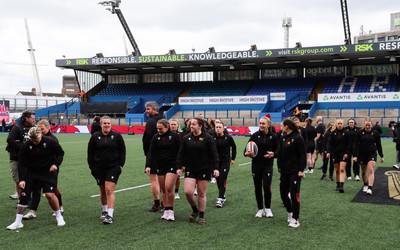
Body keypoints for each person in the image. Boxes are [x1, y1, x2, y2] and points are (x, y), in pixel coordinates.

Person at [6, 127, 65, 230]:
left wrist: (56, 164)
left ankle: (59, 216)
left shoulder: (50, 142)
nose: (34, 142)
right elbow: (22, 163)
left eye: (36, 139)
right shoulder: (26, 145)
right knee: (24, 195)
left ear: (41, 135)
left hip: (48, 172)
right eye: (32, 140)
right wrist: (22, 179)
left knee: (49, 195)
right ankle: (18, 222)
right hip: (32, 173)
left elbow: (60, 153)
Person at [176, 117, 219, 224]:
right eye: (191, 124)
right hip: (190, 169)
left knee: (201, 193)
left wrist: (216, 168)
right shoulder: (186, 138)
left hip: (204, 169)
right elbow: (181, 154)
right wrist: (179, 167)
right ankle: (195, 210)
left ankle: (201, 216)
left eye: (194, 124)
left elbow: (214, 154)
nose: (191, 126)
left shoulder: (207, 138)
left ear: (200, 126)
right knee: (188, 192)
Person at [267, 118, 306, 228]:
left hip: (295, 172)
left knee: (294, 195)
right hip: (284, 171)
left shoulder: (298, 138)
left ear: (287, 126)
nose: (280, 127)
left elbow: (302, 155)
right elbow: (279, 152)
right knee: (283, 195)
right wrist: (272, 154)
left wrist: (301, 170)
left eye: (281, 125)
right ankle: (290, 212)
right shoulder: (283, 137)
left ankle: (296, 219)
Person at [87, 116, 126, 224]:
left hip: (113, 167)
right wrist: (92, 167)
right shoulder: (95, 137)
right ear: (101, 125)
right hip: (98, 168)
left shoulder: (117, 136)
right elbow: (90, 153)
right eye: (105, 123)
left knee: (109, 189)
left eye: (108, 123)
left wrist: (121, 165)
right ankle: (104, 210)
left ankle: (110, 214)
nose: (107, 125)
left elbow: (123, 151)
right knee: (102, 190)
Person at [23, 119, 65, 219]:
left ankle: (60, 206)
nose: (40, 131)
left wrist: (55, 165)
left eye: (42, 129)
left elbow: (59, 154)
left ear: (48, 128)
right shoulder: (34, 140)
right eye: (38, 129)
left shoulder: (52, 139)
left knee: (53, 189)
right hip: (38, 170)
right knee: (36, 189)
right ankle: (33, 211)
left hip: (51, 169)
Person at [145, 119, 181, 221]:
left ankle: (171, 211)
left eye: (161, 129)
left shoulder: (175, 136)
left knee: (169, 187)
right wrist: (148, 166)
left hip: (172, 165)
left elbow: (181, 151)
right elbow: (151, 152)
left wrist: (180, 165)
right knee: (163, 190)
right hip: (160, 166)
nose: (159, 130)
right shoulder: (156, 137)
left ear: (167, 127)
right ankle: (166, 210)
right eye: (157, 128)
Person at [244, 116, 277, 217]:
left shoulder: (273, 136)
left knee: (267, 186)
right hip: (256, 165)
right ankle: (259, 209)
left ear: (268, 125)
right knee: (257, 187)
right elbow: (245, 151)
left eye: (263, 123)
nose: (261, 125)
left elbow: (279, 151)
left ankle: (267, 208)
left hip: (267, 165)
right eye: (260, 123)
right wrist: (247, 153)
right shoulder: (254, 136)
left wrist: (273, 154)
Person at [6, 110, 36, 200]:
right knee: (18, 178)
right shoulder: (17, 127)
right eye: (32, 118)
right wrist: (22, 147)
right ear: (26, 118)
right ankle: (21, 198)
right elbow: (10, 140)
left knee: (28, 177)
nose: (34, 120)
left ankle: (25, 197)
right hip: (16, 157)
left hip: (29, 157)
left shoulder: (34, 127)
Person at [353, 117, 384, 195]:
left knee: (371, 170)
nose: (367, 126)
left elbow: (379, 145)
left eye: (369, 125)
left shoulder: (375, 133)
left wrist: (381, 156)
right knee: (363, 171)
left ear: (371, 124)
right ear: (364, 124)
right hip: (362, 154)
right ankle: (365, 184)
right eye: (366, 125)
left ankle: (370, 188)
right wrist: (355, 155)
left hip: (372, 153)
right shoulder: (359, 133)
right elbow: (355, 145)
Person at [142, 101, 163, 212]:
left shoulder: (151, 122)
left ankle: (157, 204)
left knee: (154, 180)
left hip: (154, 155)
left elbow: (147, 140)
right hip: (165, 155)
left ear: (155, 110)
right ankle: (165, 203)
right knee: (163, 180)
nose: (146, 111)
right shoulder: (164, 120)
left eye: (148, 109)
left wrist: (148, 154)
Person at [213, 122, 236, 208]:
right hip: (215, 163)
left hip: (225, 162)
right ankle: (222, 194)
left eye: (220, 127)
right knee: (218, 179)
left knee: (222, 178)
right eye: (216, 127)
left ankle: (220, 198)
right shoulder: (212, 138)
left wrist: (233, 158)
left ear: (223, 128)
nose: (218, 128)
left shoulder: (228, 138)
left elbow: (234, 147)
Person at [326, 118, 351, 193]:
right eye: (338, 124)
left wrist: (347, 153)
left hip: (343, 154)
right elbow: (329, 144)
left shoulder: (346, 133)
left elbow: (349, 144)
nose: (340, 125)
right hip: (335, 154)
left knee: (342, 169)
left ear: (343, 124)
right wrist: (328, 152)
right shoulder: (333, 133)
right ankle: (337, 183)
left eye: (341, 124)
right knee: (337, 170)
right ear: (336, 124)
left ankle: (341, 185)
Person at [169, 118, 184, 199]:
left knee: (177, 177)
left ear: (178, 125)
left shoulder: (181, 135)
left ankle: (176, 192)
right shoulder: (166, 134)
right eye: (172, 124)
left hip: (178, 159)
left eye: (175, 124)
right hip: (168, 159)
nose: (173, 126)